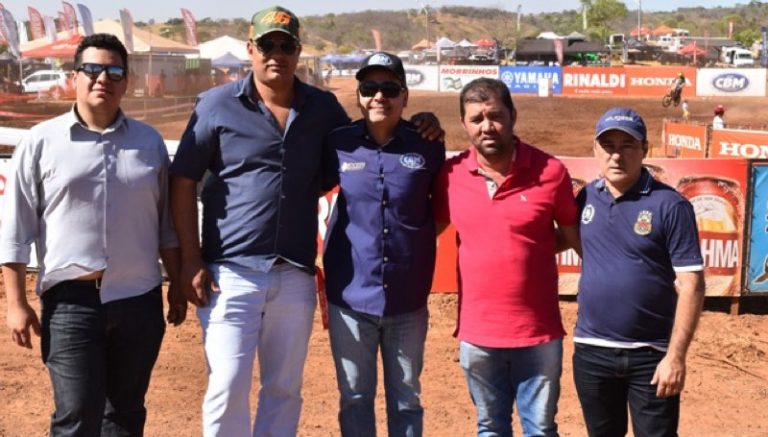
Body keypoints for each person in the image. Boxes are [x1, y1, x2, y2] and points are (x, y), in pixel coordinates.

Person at [169, 7, 442, 436]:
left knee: (284, 390)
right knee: (226, 385)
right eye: (267, 45)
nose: (276, 53)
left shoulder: (323, 108)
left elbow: (369, 140)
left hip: (294, 272)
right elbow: (183, 180)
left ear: (298, 51)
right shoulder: (216, 106)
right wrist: (189, 260)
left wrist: (422, 124)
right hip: (231, 272)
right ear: (251, 49)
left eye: (286, 45)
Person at [0, 33, 185, 436]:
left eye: (114, 71)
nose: (103, 78)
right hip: (70, 303)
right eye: (93, 69)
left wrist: (177, 283)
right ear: (75, 77)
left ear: (126, 82)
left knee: (125, 415)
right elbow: (15, 228)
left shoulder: (149, 143)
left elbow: (165, 225)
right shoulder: (40, 142)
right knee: (76, 416)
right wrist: (16, 303)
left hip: (139, 300)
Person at [432, 78, 580, 436]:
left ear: (513, 115)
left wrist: (529, 246)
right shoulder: (450, 176)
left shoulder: (551, 171)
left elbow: (573, 237)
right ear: (464, 124)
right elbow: (425, 233)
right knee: (490, 428)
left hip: (538, 333)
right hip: (477, 334)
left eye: (495, 116)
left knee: (540, 429)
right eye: (476, 119)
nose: (487, 126)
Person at [322, 52, 445, 437]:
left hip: (408, 299)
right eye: (369, 88)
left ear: (405, 96)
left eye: (390, 88)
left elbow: (440, 215)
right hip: (350, 297)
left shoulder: (428, 144)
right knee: (354, 398)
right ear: (358, 95)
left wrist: (411, 250)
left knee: (407, 399)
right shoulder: (337, 143)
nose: (379, 96)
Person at [573, 107, 706, 437]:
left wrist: (675, 357)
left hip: (652, 355)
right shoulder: (585, 198)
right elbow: (556, 242)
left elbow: (692, 285)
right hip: (592, 351)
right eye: (608, 146)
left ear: (645, 149)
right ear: (595, 149)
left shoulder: (671, 205)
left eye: (627, 145)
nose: (616, 156)